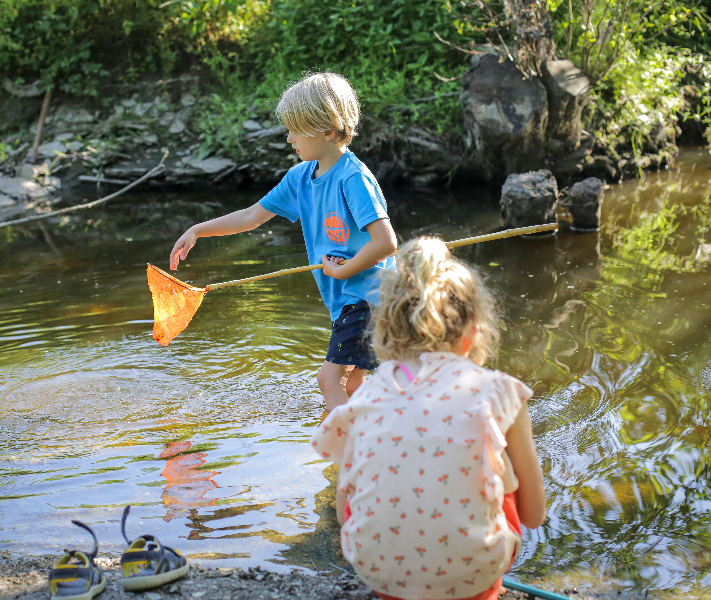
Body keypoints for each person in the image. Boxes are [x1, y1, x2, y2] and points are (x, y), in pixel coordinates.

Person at [310, 236, 546, 600]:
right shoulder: (499, 391)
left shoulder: (364, 399)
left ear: (385, 330)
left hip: (380, 573)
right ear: (473, 333)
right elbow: (532, 514)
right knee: (497, 467)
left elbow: (345, 516)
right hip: (473, 576)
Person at [169, 72, 397, 411]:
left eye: (295, 129)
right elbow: (251, 216)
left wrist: (342, 271)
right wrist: (198, 229)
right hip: (345, 299)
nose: (288, 137)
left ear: (328, 131)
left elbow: (385, 243)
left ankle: (341, 447)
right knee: (353, 380)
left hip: (368, 296)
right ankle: (372, 438)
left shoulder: (354, 179)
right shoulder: (300, 177)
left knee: (328, 379)